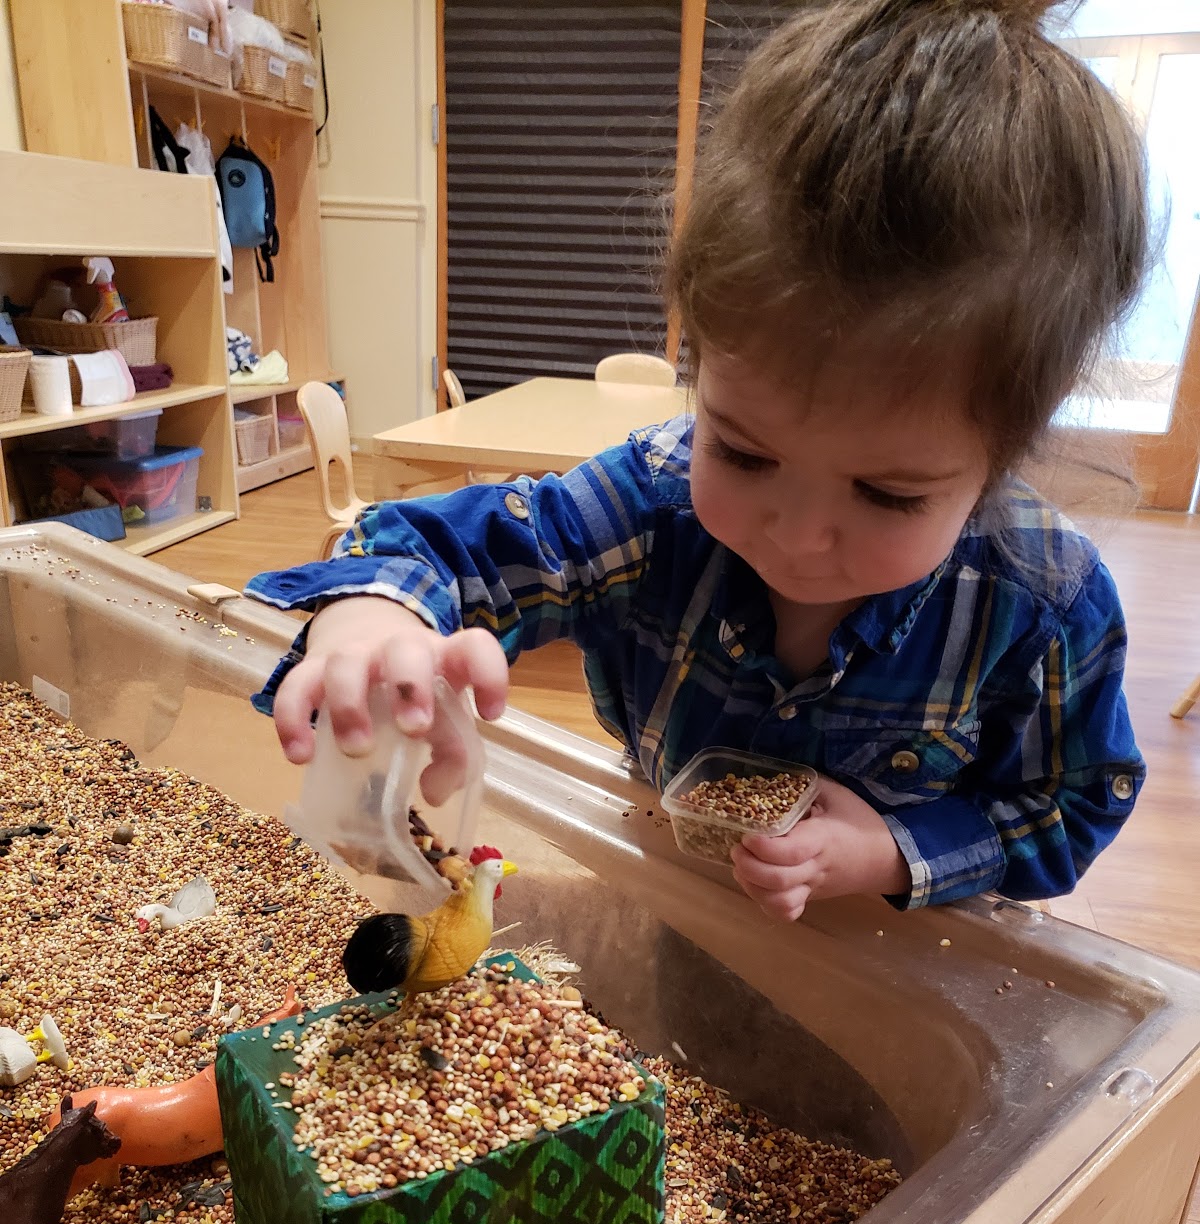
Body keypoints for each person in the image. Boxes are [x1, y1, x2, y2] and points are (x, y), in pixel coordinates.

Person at [248, 0, 1148, 922]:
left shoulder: (1043, 604)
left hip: (898, 945)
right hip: (676, 902)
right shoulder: (653, 500)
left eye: (887, 494)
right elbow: (437, 550)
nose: (797, 535)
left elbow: (1072, 806)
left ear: (1001, 452)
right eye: (744, 454)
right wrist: (375, 622)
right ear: (699, 363)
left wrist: (889, 851)